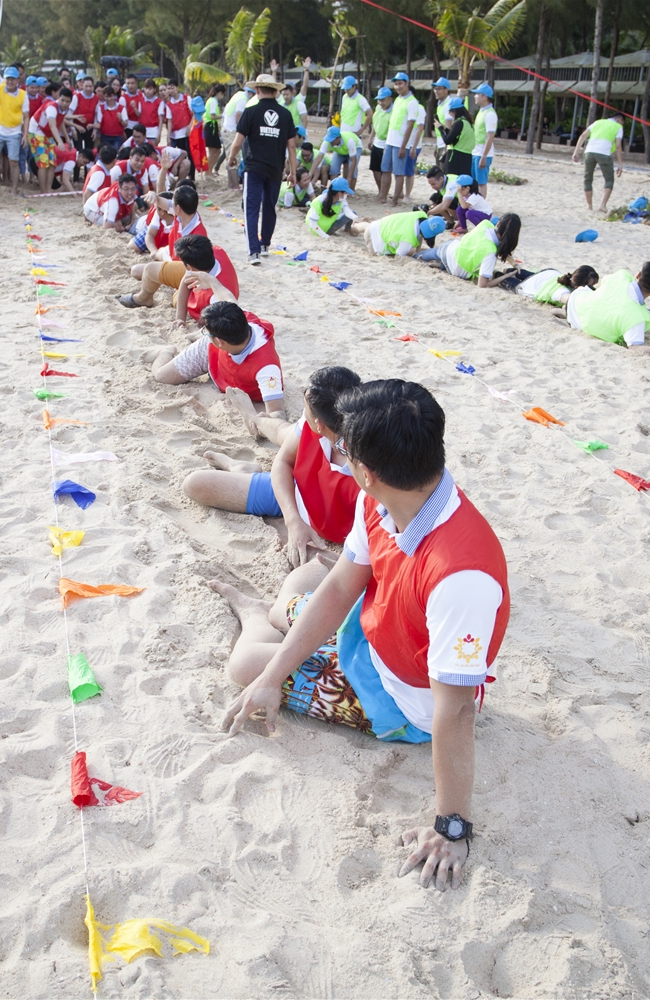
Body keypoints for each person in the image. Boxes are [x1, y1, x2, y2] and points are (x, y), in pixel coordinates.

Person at [220, 379, 509, 890]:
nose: (338, 456)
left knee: (244, 665)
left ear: (367, 472)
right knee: (302, 587)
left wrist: (452, 827)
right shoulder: (385, 501)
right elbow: (339, 589)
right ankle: (271, 617)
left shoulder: (461, 576)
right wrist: (274, 676)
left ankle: (255, 616)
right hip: (375, 633)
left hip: (401, 697)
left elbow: (457, 709)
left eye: (344, 452)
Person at [183, 366, 364, 564]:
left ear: (319, 424)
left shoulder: (368, 461)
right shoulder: (316, 424)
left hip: (331, 516)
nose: (304, 413)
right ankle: (254, 419)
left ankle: (251, 442)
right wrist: (292, 520)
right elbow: (283, 461)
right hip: (295, 491)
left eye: (305, 409)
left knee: (284, 433)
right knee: (195, 484)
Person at [148, 300, 289, 444]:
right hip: (211, 353)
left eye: (206, 332)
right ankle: (166, 351)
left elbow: (277, 414)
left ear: (219, 341)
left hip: (233, 373)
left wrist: (256, 418)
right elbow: (225, 295)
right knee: (161, 375)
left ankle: (195, 337)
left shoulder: (266, 367)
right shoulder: (237, 316)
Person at [225, 73, 299, 265]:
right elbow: (292, 147)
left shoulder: (250, 112)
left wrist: (231, 158)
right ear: (275, 92)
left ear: (257, 90)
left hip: (254, 168)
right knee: (269, 207)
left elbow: (237, 142)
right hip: (275, 169)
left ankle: (254, 252)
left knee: (251, 208)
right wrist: (292, 172)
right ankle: (265, 244)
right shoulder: (285, 114)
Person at [567, 258, 650, 359]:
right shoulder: (638, 316)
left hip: (576, 298)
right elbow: (635, 348)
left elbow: (597, 288)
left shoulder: (621, 275)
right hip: (579, 323)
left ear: (638, 275)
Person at [119, 232, 238, 325]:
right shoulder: (214, 251)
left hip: (199, 301)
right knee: (149, 269)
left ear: (189, 266)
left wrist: (181, 319)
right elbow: (186, 280)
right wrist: (179, 318)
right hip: (199, 273)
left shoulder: (216, 298)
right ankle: (143, 298)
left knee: (176, 297)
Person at [417, 212, 520, 289]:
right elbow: (482, 284)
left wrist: (514, 264)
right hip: (456, 270)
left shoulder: (485, 224)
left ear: (498, 224)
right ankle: (441, 265)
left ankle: (418, 256)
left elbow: (501, 245)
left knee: (424, 255)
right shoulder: (491, 252)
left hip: (449, 250)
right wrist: (506, 276)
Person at [384, 72, 425, 205]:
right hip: (390, 140)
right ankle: (384, 195)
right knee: (386, 169)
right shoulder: (397, 99)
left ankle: (395, 199)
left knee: (399, 172)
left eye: (400, 83)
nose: (397, 86)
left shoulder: (412, 102)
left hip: (400, 142)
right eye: (396, 84)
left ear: (407, 84)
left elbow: (410, 125)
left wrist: (403, 146)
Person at [571, 109, 623, 213]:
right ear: (620, 120)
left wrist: (576, 152)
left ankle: (589, 206)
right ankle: (602, 205)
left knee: (587, 179)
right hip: (604, 153)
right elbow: (618, 146)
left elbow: (583, 136)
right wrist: (620, 164)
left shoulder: (597, 122)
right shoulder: (618, 127)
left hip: (589, 152)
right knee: (609, 179)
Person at [0, 67, 25, 194]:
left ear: (17, 80)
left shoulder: (23, 95)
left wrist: (25, 134)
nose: (10, 81)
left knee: (13, 161)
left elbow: (26, 116)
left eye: (12, 79)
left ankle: (14, 190)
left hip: (14, 131)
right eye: (8, 78)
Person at [498, 264, 598, 305]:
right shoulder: (562, 292)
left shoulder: (567, 278)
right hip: (530, 287)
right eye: (591, 285)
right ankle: (497, 273)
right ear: (577, 287)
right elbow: (571, 301)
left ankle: (509, 270)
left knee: (524, 274)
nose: (593, 288)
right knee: (507, 281)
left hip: (548, 275)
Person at [366, 211, 446, 257]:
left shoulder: (421, 215)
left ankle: (359, 224)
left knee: (366, 227)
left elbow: (421, 231)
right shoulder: (408, 241)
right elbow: (398, 256)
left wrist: (418, 250)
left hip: (376, 225)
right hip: (374, 243)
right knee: (410, 251)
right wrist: (416, 253)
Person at [470, 84, 499, 198]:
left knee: (481, 183)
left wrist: (484, 156)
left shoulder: (490, 114)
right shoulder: (481, 111)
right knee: (474, 182)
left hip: (482, 153)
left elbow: (490, 137)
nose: (475, 96)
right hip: (476, 151)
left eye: (477, 94)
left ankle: (481, 204)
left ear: (485, 97)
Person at [369, 86, 394, 204]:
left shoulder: (394, 111)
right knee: (375, 169)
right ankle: (381, 191)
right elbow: (375, 124)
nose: (380, 102)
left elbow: (392, 129)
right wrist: (371, 138)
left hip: (387, 142)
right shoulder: (378, 108)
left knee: (385, 170)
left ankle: (384, 195)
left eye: (383, 100)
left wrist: (387, 145)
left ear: (389, 99)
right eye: (379, 100)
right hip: (377, 141)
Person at [202, 82, 226, 170]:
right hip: (210, 126)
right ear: (220, 93)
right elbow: (213, 116)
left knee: (217, 151)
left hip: (212, 126)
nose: (222, 96)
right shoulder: (213, 101)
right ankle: (208, 171)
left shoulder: (211, 100)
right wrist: (223, 115)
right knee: (213, 151)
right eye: (222, 94)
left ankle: (209, 170)